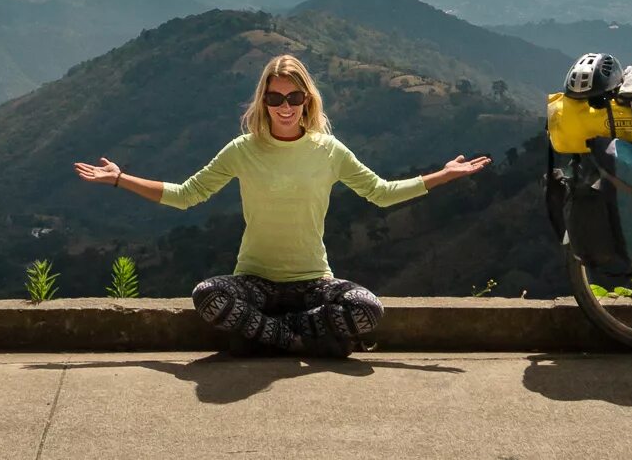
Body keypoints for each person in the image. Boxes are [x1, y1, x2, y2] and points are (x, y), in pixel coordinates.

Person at [72, 53, 491, 358]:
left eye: (294, 97)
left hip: (313, 283)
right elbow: (187, 195)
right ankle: (297, 341)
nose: (285, 107)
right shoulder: (243, 150)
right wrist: (121, 179)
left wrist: (444, 175)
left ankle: (264, 338)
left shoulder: (329, 150)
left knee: (367, 308)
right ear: (263, 102)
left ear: (307, 100)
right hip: (255, 282)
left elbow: (380, 192)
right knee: (208, 296)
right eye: (275, 99)